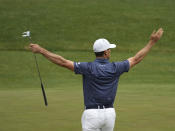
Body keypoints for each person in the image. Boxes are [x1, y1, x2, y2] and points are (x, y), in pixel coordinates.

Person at [28, 28, 163, 131]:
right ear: (105, 52)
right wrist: (152, 42)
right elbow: (136, 58)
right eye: (109, 49)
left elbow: (62, 62)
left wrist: (41, 51)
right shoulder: (116, 67)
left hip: (91, 114)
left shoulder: (87, 67)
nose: (110, 51)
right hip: (110, 115)